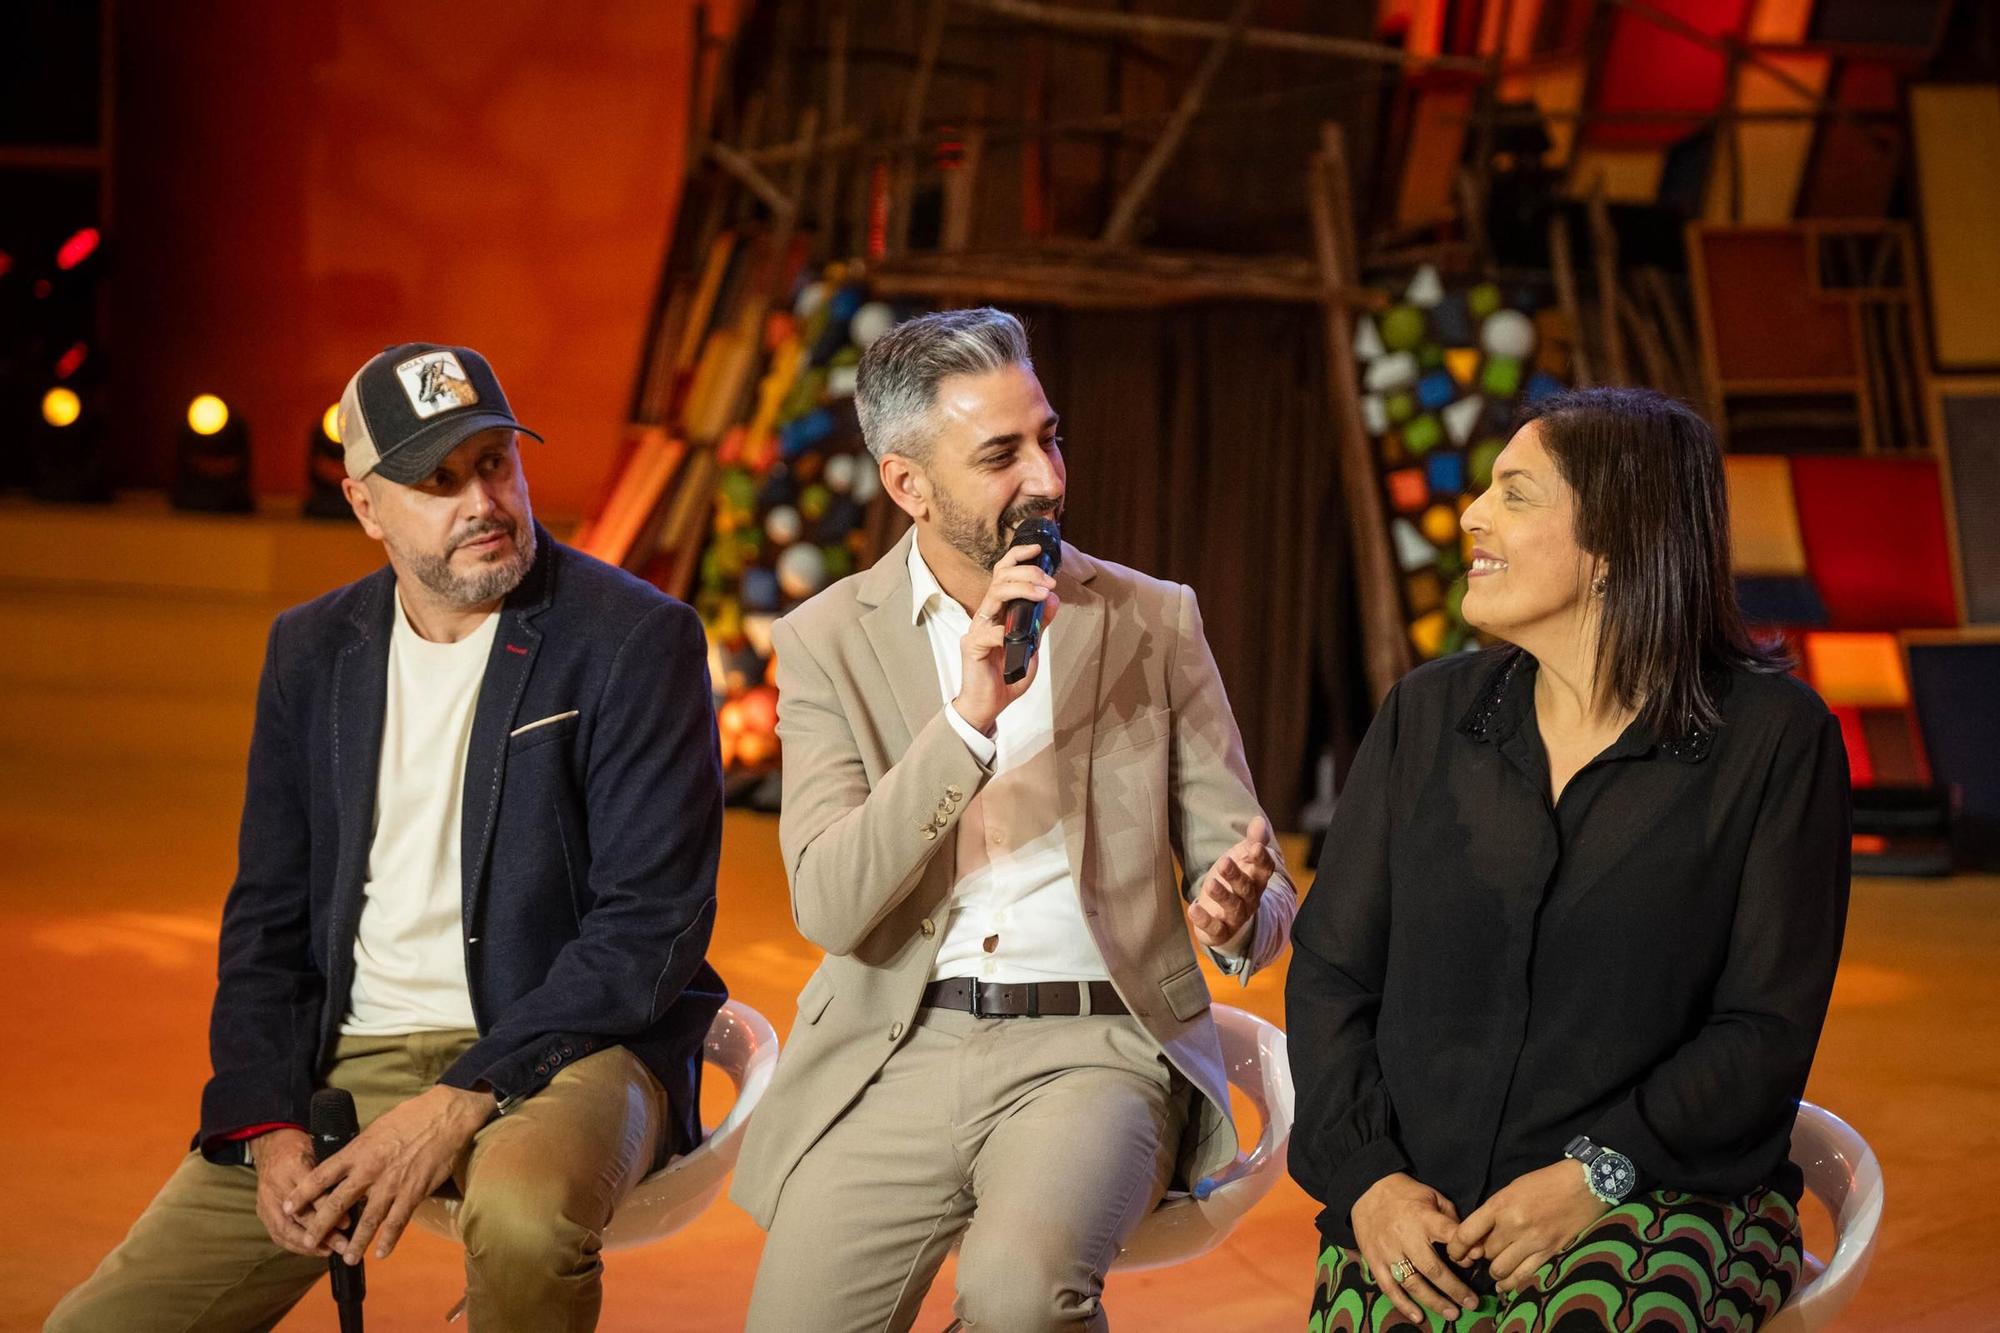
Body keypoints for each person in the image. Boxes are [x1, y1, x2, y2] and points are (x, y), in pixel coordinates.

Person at [47, 343, 725, 1333]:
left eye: (495, 461)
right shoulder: (311, 653)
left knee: (528, 1221)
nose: (481, 499)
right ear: (366, 506)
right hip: (348, 1057)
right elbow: (267, 920)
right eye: (437, 480)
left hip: (571, 1048)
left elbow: (647, 928)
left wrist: (460, 1097)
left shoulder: (632, 639)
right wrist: (268, 1121)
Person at [734, 307, 1296, 1331]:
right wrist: (964, 722)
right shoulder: (825, 639)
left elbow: (1248, 869)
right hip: (892, 1045)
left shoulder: (1149, 619)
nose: (1044, 477)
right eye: (1000, 453)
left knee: (1019, 1297)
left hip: (1093, 1042)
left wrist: (1232, 913)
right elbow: (826, 902)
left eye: (1048, 437)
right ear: (908, 484)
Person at [1287, 387, 1850, 1332]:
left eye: (1516, 492)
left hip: (1662, 1196)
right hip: (1421, 1212)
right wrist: (1370, 1178)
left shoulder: (1774, 741)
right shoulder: (1424, 717)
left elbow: (1763, 1028)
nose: (1473, 514)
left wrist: (1600, 1172)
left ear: (1616, 544)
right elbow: (1333, 975)